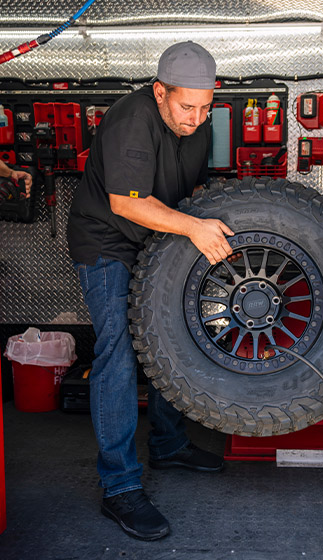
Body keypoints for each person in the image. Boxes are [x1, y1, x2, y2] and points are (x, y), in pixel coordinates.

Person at [66, 41, 233, 541]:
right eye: (187, 107)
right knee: (118, 353)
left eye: (205, 108)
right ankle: (119, 487)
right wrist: (194, 229)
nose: (196, 119)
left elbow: (192, 191)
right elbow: (126, 202)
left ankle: (168, 445)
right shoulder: (131, 119)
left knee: (170, 341)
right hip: (107, 243)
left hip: (159, 240)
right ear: (160, 92)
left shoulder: (198, 124)